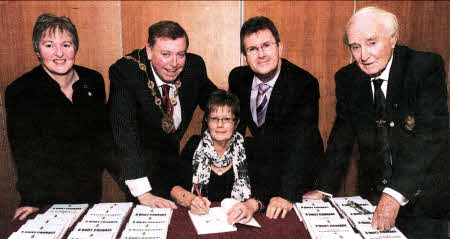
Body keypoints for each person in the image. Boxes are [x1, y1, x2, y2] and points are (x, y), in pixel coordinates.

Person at [303, 7, 449, 239]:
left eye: (372, 43)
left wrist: (394, 194)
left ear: (393, 38)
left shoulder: (424, 68)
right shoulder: (348, 78)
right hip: (374, 198)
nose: (363, 55)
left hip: (425, 203)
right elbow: (341, 138)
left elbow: (430, 137)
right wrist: (323, 188)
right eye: (355, 46)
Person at [6, 14, 110, 220]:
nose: (59, 53)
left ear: (75, 47)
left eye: (66, 44)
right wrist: (30, 199)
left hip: (89, 193)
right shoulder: (20, 90)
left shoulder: (93, 80)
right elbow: (24, 151)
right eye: (49, 45)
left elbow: (104, 138)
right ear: (37, 51)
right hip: (45, 199)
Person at [108, 21, 217, 208]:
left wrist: (214, 140)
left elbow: (216, 103)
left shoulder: (194, 67)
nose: (174, 64)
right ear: (149, 51)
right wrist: (143, 193)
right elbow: (125, 132)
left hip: (169, 161)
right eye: (165, 54)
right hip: (135, 163)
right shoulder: (126, 72)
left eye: (180, 54)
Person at [228, 16, 324, 220]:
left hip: (298, 174)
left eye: (266, 46)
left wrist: (287, 194)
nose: (261, 54)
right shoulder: (238, 78)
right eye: (252, 49)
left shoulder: (303, 84)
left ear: (280, 47)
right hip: (263, 174)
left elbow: (302, 144)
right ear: (244, 55)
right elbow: (232, 129)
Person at [170, 90, 260, 224]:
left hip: (242, 225)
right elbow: (173, 186)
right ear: (207, 120)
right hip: (202, 225)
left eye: (227, 119)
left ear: (236, 123)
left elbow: (266, 190)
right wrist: (191, 200)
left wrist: (251, 205)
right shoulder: (194, 145)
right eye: (214, 118)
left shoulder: (250, 148)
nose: (220, 125)